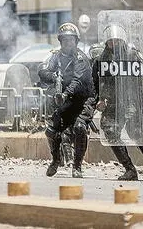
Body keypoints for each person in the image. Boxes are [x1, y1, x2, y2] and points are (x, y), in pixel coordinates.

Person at [94, 24, 143, 181]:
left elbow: (142, 81)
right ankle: (129, 169)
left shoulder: (132, 54)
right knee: (110, 131)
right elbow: (96, 81)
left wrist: (140, 102)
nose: (113, 44)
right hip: (112, 102)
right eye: (110, 41)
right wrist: (98, 99)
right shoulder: (102, 58)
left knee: (137, 132)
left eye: (116, 40)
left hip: (131, 100)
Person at [38, 23, 93, 178]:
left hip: (82, 99)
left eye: (71, 40)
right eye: (65, 40)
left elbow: (78, 80)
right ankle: (56, 160)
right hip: (65, 101)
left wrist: (65, 94)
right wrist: (54, 77)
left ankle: (77, 166)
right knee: (51, 131)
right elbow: (42, 71)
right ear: (60, 41)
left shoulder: (80, 57)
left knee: (80, 128)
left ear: (76, 41)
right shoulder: (56, 56)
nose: (68, 43)